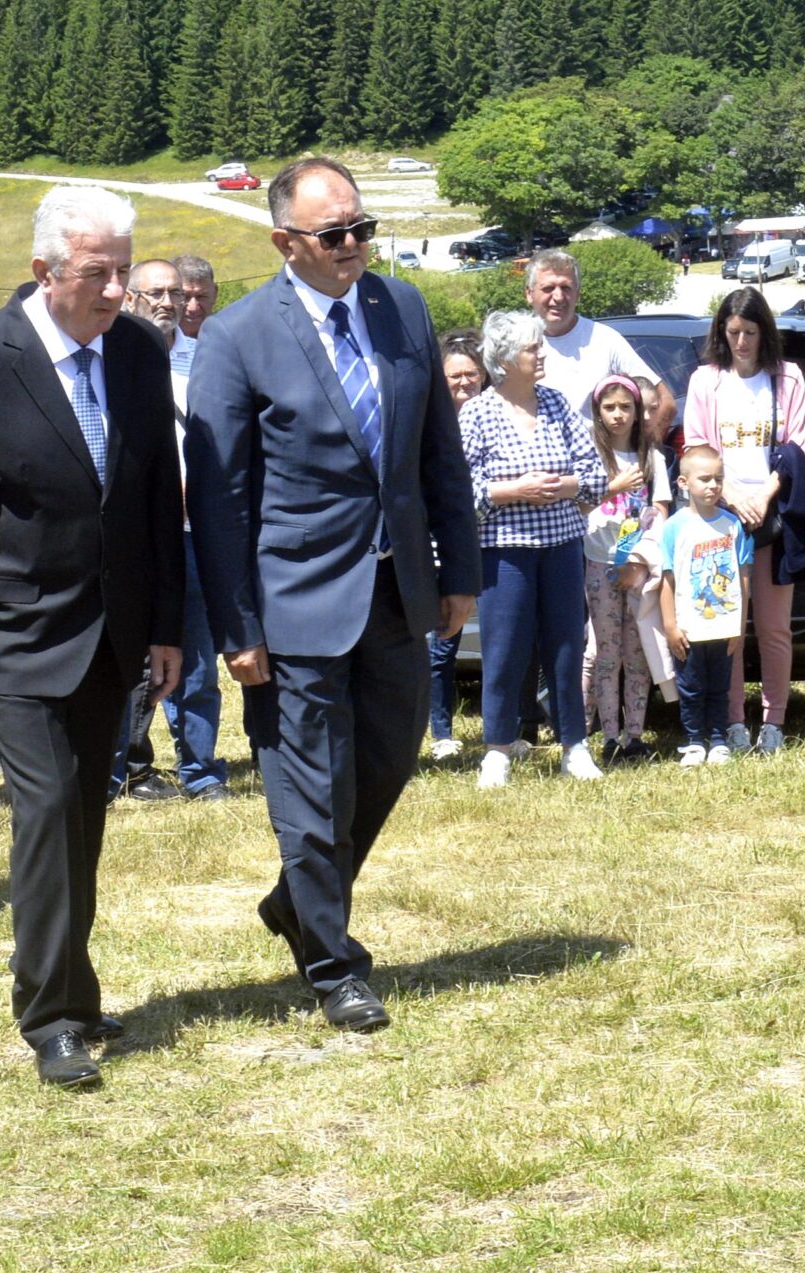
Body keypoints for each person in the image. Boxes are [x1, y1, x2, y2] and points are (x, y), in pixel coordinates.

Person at [185, 157, 479, 1034]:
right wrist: (237, 625)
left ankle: (296, 902)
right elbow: (220, 499)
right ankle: (332, 963)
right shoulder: (237, 336)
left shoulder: (403, 308)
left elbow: (438, 451)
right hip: (294, 601)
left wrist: (458, 571)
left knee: (385, 763)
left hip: (397, 590)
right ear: (285, 242)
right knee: (311, 791)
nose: (353, 245)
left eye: (362, 228)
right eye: (334, 233)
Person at [0, 185, 184, 1089]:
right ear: (43, 270)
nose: (116, 290)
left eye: (123, 270)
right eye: (96, 273)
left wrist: (166, 625)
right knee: (48, 808)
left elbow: (157, 497)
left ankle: (74, 982)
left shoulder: (138, 352)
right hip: (15, 635)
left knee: (84, 816)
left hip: (112, 633)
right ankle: (52, 1016)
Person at [458, 309, 607, 790]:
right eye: (532, 348)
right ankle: (497, 750)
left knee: (566, 646)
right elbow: (460, 492)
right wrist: (512, 491)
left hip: (562, 547)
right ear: (504, 360)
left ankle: (575, 746)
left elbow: (595, 476)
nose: (541, 354)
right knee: (504, 650)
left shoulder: (558, 403)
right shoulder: (478, 412)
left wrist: (565, 486)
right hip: (503, 553)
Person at [106, 259, 224, 801]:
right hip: (129, 533)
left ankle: (200, 770)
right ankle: (114, 771)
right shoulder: (109, 357)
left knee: (196, 658)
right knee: (120, 656)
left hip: (192, 530)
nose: (168, 303)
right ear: (130, 297)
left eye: (175, 293)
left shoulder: (206, 359)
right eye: (155, 293)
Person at [682, 288, 805, 755]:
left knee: (774, 628)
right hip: (721, 518)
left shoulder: (788, 378)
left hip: (774, 516)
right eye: (733, 332)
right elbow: (695, 445)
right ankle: (733, 720)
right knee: (728, 626)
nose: (741, 342)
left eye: (750, 333)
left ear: (764, 333)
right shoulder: (705, 381)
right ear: (722, 333)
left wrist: (762, 496)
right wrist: (733, 496)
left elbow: (799, 448)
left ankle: (774, 722)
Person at [585, 373, 670, 763]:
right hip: (599, 562)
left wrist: (639, 561)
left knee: (638, 652)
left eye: (625, 407)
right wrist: (612, 488)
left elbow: (661, 510)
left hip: (638, 566)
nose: (618, 415)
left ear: (638, 412)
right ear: (598, 412)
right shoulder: (591, 455)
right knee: (607, 653)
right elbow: (579, 504)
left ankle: (634, 734)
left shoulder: (651, 457)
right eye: (609, 408)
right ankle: (608, 736)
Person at [657, 446, 752, 767]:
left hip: (724, 625)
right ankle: (695, 741)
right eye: (705, 479)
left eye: (718, 479)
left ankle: (719, 740)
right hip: (689, 626)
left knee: (719, 686)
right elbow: (667, 579)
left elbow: (743, 577)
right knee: (691, 687)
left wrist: (740, 625)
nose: (713, 485)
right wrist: (670, 625)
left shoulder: (732, 525)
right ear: (683, 483)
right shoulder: (674, 527)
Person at [524, 249, 673, 433]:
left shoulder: (605, 340)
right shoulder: (515, 345)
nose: (558, 297)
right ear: (529, 294)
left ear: (578, 294)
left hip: (597, 450)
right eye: (548, 288)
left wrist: (644, 447)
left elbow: (664, 400)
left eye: (566, 288)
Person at [428, 330, 488, 762]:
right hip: (439, 546)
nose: (465, 382)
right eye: (455, 375)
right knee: (442, 641)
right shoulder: (431, 426)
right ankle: (441, 733)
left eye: (472, 374)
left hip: (492, 542)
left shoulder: (495, 416)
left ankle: (513, 726)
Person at [173, 253, 217, 340]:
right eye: (184, 297)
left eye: (201, 296)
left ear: (214, 294)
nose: (193, 308)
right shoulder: (152, 341)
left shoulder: (231, 339)